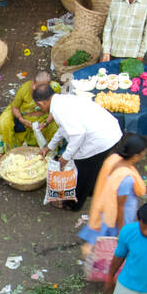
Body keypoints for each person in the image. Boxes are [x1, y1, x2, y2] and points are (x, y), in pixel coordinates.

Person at [38, 83, 123, 211]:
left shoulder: (57, 109)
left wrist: (66, 157)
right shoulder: (63, 99)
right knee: (93, 168)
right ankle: (91, 190)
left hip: (101, 138)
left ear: (41, 103)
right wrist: (48, 147)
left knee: (82, 171)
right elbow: (63, 129)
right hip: (110, 132)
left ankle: (73, 204)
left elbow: (78, 134)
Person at [80, 133, 147, 253]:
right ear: (136, 156)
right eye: (143, 154)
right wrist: (121, 230)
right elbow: (120, 207)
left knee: (103, 232)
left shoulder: (113, 159)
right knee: (110, 238)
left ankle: (90, 248)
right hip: (121, 212)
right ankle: (90, 251)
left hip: (106, 206)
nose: (144, 156)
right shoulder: (125, 178)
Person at [0, 70, 59, 151]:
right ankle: (4, 151)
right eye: (38, 86)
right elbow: (15, 107)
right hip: (25, 115)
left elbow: (56, 109)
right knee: (3, 122)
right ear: (33, 84)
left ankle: (49, 150)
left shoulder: (55, 88)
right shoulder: (24, 89)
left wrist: (46, 122)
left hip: (45, 116)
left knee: (56, 125)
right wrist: (21, 119)